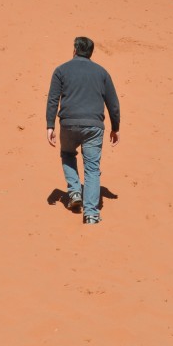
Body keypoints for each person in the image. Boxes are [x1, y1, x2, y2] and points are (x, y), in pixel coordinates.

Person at [46, 36, 120, 224]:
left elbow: (53, 99)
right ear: (91, 53)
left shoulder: (61, 70)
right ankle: (91, 214)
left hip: (69, 124)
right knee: (92, 169)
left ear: (74, 50)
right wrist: (115, 127)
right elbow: (113, 104)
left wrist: (50, 125)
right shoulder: (102, 73)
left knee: (68, 154)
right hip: (94, 126)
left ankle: (74, 192)